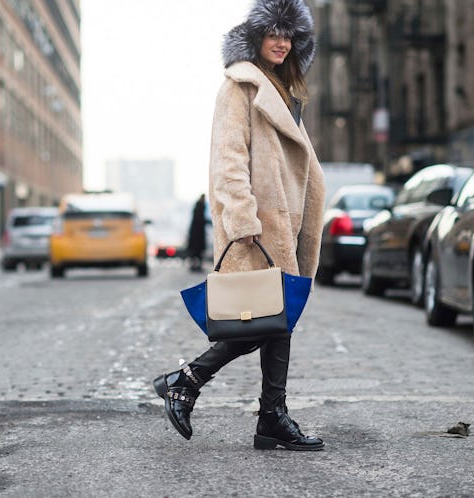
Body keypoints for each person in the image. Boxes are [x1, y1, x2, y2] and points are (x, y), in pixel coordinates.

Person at [153, 0, 326, 451]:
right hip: (256, 223)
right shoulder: (239, 87)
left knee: (276, 319)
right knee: (262, 320)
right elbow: (227, 157)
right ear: (255, 37)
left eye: (289, 35)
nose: (282, 42)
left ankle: (268, 416)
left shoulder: (286, 93)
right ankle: (188, 381)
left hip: (283, 223)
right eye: (273, 33)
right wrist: (242, 217)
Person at [186, 194, 208, 272]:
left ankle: (195, 265)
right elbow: (200, 220)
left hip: (195, 234)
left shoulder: (197, 207)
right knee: (198, 250)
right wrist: (208, 222)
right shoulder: (200, 207)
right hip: (198, 235)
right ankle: (196, 265)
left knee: (195, 251)